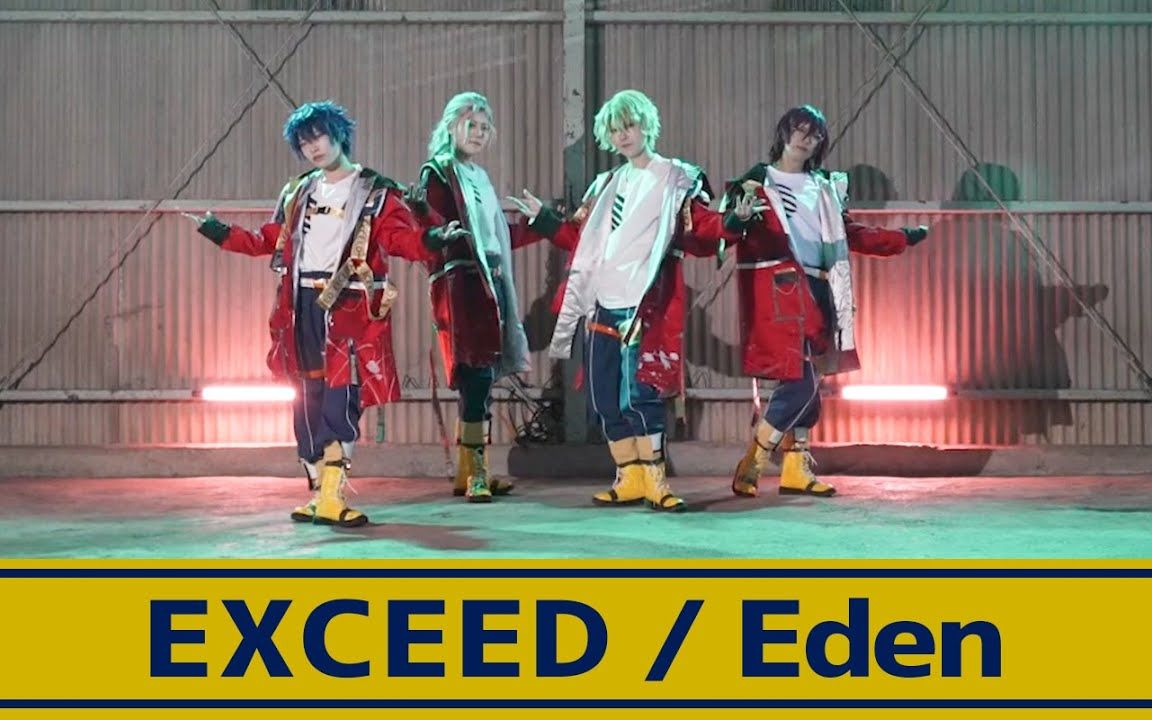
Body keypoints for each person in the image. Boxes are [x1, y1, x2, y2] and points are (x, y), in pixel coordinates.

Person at [188, 100, 466, 526]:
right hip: (300, 307)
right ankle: (319, 494)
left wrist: (432, 239)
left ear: (338, 135)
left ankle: (334, 497)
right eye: (304, 142)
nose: (313, 147)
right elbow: (271, 239)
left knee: (341, 399)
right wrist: (221, 233)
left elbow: (400, 240)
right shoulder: (299, 192)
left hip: (350, 308)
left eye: (318, 137)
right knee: (307, 401)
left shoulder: (376, 190)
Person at [534, 89, 757, 512]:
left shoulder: (676, 178)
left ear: (647, 125)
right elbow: (579, 241)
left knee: (641, 395)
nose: (623, 135)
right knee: (603, 397)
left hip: (646, 302)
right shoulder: (606, 184)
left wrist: (733, 221)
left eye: (630, 125)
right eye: (615, 129)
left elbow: (701, 228)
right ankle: (630, 477)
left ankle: (656, 480)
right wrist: (543, 220)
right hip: (602, 301)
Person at [723, 104, 929, 499]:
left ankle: (796, 469)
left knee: (811, 383)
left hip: (820, 289)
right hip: (778, 289)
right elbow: (724, 232)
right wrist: (736, 219)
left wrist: (901, 238)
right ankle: (756, 457)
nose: (807, 139)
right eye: (800, 130)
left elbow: (849, 235)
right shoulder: (755, 182)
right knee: (800, 383)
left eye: (815, 134)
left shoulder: (824, 187)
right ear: (784, 133)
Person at [408, 91, 551, 502]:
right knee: (474, 375)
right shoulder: (438, 171)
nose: (479, 133)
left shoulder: (480, 177)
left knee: (484, 377)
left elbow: (498, 238)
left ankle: (469, 471)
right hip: (462, 283)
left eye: (485, 128)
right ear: (451, 125)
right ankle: (476, 473)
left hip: (493, 280)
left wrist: (542, 223)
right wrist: (428, 222)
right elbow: (431, 230)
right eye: (471, 125)